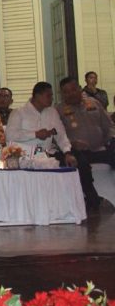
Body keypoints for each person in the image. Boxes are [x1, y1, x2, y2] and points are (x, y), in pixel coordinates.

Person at [57, 76, 115, 211]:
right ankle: (92, 201)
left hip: (101, 149)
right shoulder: (58, 110)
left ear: (79, 89)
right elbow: (57, 137)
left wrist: (110, 139)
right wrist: (72, 143)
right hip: (78, 152)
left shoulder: (94, 103)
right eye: (66, 92)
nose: (70, 94)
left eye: (73, 90)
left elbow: (110, 126)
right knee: (80, 163)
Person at [5, 82, 75, 161]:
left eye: (51, 96)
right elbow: (10, 135)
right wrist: (35, 134)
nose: (52, 99)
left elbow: (60, 134)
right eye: (48, 96)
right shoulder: (18, 112)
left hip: (47, 156)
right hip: (23, 157)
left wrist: (67, 152)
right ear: (37, 96)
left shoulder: (52, 112)